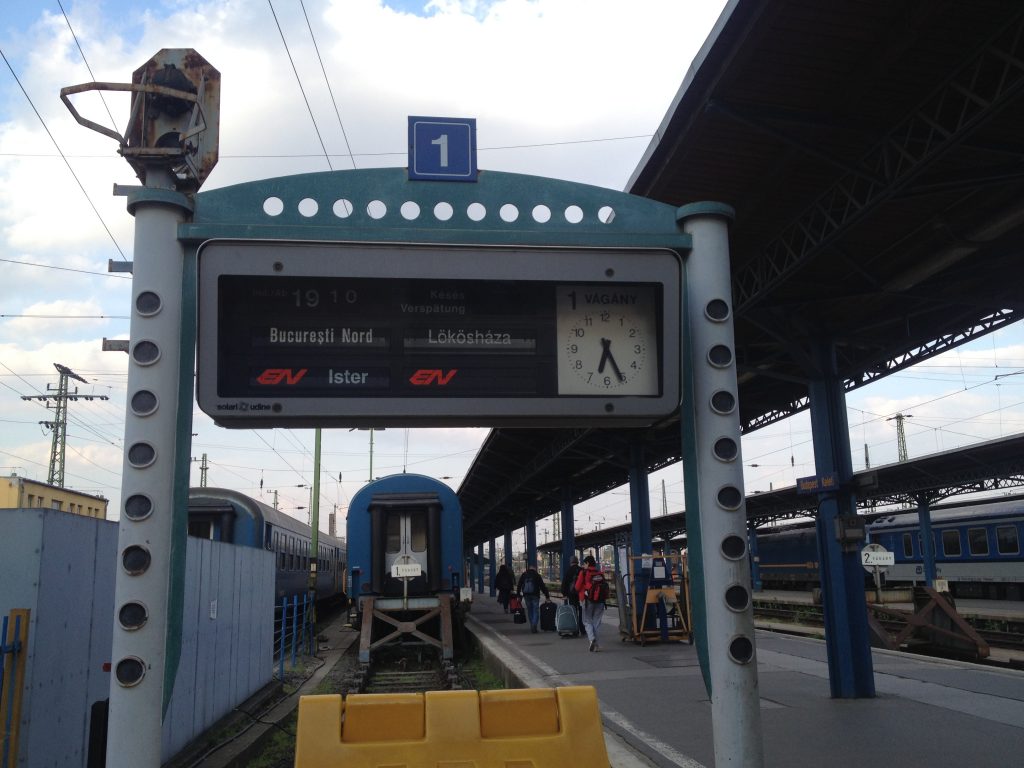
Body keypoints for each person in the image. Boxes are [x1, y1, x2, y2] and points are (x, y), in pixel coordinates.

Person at [575, 555, 606, 651]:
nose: (583, 565)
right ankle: (596, 645)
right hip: (600, 601)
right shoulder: (599, 573)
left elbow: (577, 587)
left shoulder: (584, 573)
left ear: (587, 563)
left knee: (587, 621)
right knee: (596, 622)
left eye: (584, 564)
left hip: (587, 600)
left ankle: (592, 639)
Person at [516, 563, 551, 633]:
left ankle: (532, 624)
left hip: (526, 595)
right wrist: (547, 596)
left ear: (529, 568)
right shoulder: (537, 575)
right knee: (535, 610)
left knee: (530, 610)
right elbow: (542, 586)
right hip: (535, 595)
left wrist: (518, 596)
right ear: (535, 568)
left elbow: (519, 585)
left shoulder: (524, 575)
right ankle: (534, 624)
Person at [560, 555, 583, 637]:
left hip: (572, 595)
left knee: (573, 612)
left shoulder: (568, 571)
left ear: (571, 562)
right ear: (577, 561)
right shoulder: (581, 570)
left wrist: (564, 594)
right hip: (581, 595)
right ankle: (582, 629)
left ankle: (575, 629)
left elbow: (564, 583)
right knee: (582, 612)